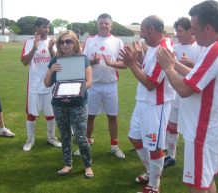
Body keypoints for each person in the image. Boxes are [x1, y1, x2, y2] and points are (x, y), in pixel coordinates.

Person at [156, 1, 218, 193]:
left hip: (204, 130)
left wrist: (167, 67)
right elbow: (199, 76)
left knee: (197, 187)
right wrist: (174, 63)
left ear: (208, 28)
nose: (192, 33)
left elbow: (184, 90)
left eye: (194, 28)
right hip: (212, 129)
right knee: (206, 181)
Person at [120, 15, 175, 193]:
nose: (141, 34)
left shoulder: (164, 50)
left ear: (151, 29)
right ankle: (151, 172)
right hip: (142, 101)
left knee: (155, 147)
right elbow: (147, 69)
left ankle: (154, 186)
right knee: (134, 137)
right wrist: (136, 59)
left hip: (156, 106)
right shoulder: (153, 47)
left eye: (143, 30)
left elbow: (151, 84)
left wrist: (130, 64)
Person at [44, 30, 93, 178]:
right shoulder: (55, 60)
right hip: (59, 104)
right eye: (62, 42)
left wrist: (73, 94)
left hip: (78, 103)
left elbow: (89, 82)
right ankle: (67, 163)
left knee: (80, 137)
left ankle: (87, 165)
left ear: (75, 43)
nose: (65, 45)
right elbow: (47, 83)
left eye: (68, 41)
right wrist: (51, 71)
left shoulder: (82, 59)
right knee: (65, 135)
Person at [81, 13, 126, 159]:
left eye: (106, 23)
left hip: (110, 85)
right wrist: (92, 62)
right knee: (90, 116)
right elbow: (82, 61)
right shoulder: (90, 40)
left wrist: (111, 63)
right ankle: (86, 142)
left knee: (112, 116)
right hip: (93, 85)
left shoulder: (117, 41)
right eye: (101, 23)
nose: (104, 25)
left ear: (111, 25)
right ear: (97, 24)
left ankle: (114, 146)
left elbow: (125, 63)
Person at [164, 17, 203, 169]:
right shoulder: (175, 48)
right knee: (172, 126)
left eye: (180, 31)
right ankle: (171, 156)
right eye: (176, 31)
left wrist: (192, 64)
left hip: (191, 96)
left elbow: (205, 74)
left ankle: (193, 159)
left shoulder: (200, 48)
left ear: (190, 31)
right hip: (175, 93)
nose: (177, 34)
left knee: (190, 130)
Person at [21, 17, 61, 151]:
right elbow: (25, 62)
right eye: (44, 27)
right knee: (32, 114)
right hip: (34, 85)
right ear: (36, 28)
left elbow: (58, 61)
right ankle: (30, 140)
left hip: (50, 84)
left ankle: (51, 138)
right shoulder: (29, 42)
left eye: (48, 27)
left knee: (51, 113)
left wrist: (50, 49)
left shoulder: (53, 41)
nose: (46, 29)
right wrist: (34, 48)